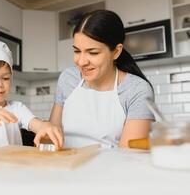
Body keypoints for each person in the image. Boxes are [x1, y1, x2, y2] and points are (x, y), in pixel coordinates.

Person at [49, 10, 155, 148]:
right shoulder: (68, 78)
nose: (81, 62)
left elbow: (129, 157)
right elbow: (51, 138)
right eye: (77, 51)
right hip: (65, 166)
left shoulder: (137, 90)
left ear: (116, 51)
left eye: (93, 52)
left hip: (112, 168)